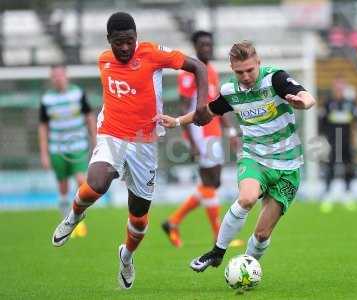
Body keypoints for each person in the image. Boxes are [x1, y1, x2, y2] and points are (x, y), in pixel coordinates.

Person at [51, 12, 208, 290]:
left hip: (145, 143)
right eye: (118, 42)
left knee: (138, 215)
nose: (124, 48)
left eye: (130, 41)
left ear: (137, 38)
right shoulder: (103, 60)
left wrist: (202, 106)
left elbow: (198, 67)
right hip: (112, 134)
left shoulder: (152, 53)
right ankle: (75, 215)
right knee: (98, 181)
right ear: (108, 40)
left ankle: (127, 256)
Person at [158, 41, 316, 272]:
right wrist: (178, 121)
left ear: (258, 63)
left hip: (288, 165)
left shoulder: (275, 79)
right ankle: (217, 252)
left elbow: (305, 95)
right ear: (232, 68)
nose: (246, 76)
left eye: (250, 70)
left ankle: (246, 269)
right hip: (255, 158)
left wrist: (303, 102)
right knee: (247, 199)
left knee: (262, 235)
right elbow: (207, 112)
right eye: (240, 72)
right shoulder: (230, 91)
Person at [161, 30, 241, 248]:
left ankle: (173, 221)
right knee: (211, 182)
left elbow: (217, 107)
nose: (207, 47)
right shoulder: (189, 74)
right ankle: (218, 235)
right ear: (195, 47)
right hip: (200, 135)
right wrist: (191, 141)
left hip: (213, 132)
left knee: (211, 183)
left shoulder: (211, 71)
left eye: (209, 44)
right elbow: (184, 108)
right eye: (202, 44)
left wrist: (231, 132)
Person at [39, 64, 96, 238]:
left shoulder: (77, 93)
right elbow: (43, 127)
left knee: (81, 180)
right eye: (54, 76)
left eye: (60, 75)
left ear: (66, 76)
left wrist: (95, 139)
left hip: (77, 146)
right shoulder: (47, 100)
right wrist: (44, 153)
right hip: (57, 148)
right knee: (63, 188)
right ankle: (66, 222)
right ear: (51, 78)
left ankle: (79, 220)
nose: (58, 79)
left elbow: (89, 116)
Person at [319, 75, 357, 213]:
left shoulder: (350, 103)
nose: (339, 90)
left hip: (347, 141)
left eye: (341, 87)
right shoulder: (328, 104)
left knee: (349, 166)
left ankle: (347, 193)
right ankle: (328, 194)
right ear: (333, 88)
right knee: (330, 167)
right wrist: (321, 138)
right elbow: (321, 122)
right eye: (337, 87)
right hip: (331, 142)